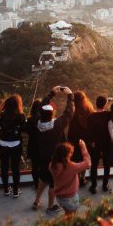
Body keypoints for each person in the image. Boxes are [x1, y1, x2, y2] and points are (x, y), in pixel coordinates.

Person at [33, 86, 74, 214]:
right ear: (52, 114)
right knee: (52, 183)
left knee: (42, 178)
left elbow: (41, 107)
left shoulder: (38, 123)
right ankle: (50, 207)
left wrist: (51, 93)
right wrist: (70, 96)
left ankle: (37, 200)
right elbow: (69, 113)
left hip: (43, 155)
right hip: (55, 158)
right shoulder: (56, 125)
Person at [50, 140, 91, 216]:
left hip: (59, 197)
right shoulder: (71, 167)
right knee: (71, 216)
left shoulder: (52, 164)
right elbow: (88, 163)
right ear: (66, 155)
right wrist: (83, 147)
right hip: (70, 197)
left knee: (67, 213)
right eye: (70, 153)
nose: (71, 154)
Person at [0, 94, 26, 197]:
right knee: (15, 168)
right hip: (16, 143)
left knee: (4, 166)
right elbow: (23, 128)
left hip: (3, 143)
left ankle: (6, 189)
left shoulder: (1, 114)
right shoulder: (20, 115)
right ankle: (15, 190)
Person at [68, 91, 93, 186]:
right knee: (84, 158)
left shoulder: (73, 111)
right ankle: (83, 178)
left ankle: (77, 178)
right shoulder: (89, 109)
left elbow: (70, 127)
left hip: (74, 139)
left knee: (76, 159)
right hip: (85, 140)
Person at [87, 96, 111, 194]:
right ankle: (105, 185)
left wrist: (91, 142)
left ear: (96, 103)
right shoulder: (108, 115)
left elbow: (89, 131)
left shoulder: (91, 116)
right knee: (106, 164)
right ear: (105, 104)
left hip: (95, 143)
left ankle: (93, 186)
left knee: (94, 165)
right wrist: (110, 102)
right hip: (106, 142)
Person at [24, 99, 43, 190]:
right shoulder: (44, 119)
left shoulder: (30, 120)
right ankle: (43, 183)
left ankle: (36, 184)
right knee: (43, 164)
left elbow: (27, 131)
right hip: (43, 145)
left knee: (34, 166)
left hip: (33, 145)